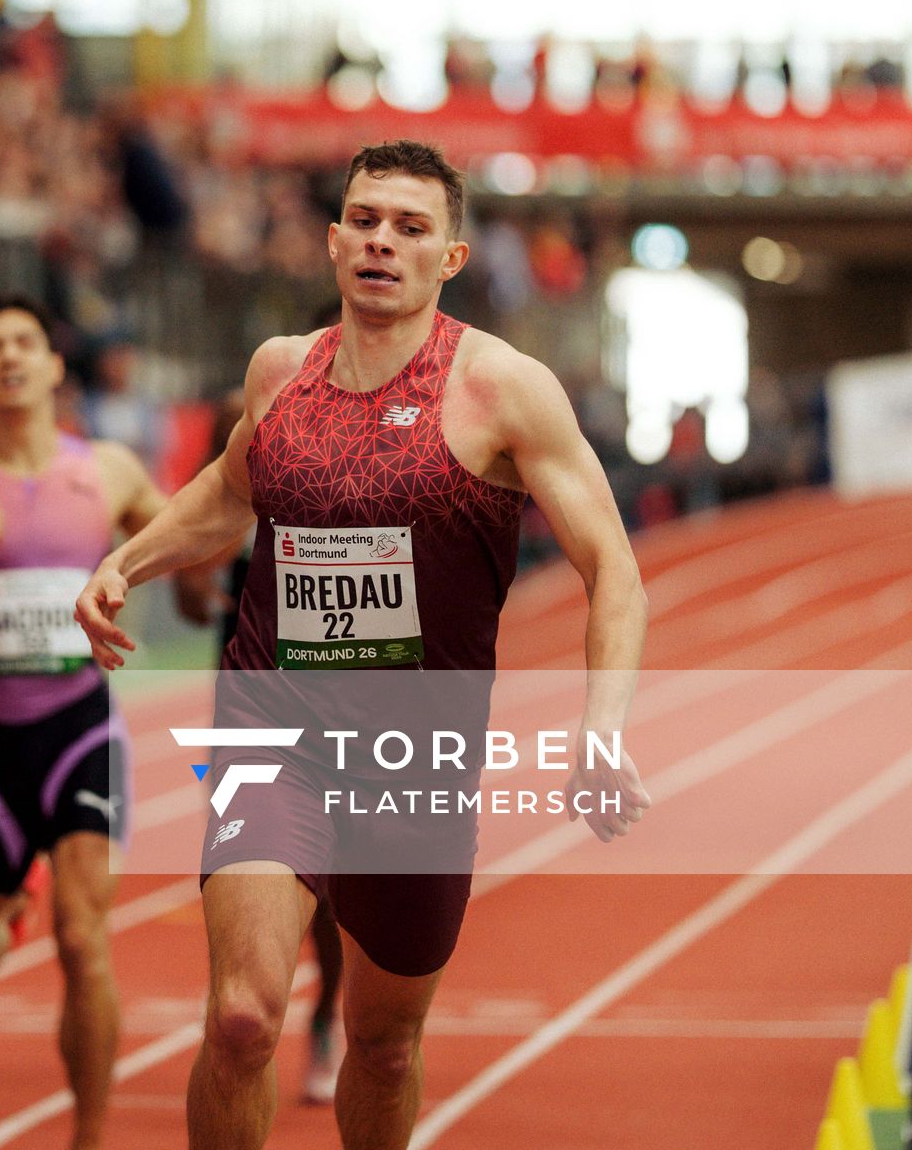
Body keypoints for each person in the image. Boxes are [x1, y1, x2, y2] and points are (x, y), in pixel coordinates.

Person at [75, 139, 651, 1150]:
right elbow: (229, 488)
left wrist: (600, 736)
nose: (384, 241)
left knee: (383, 1039)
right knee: (244, 1014)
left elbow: (614, 568)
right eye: (368, 220)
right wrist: (132, 557)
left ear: (451, 257)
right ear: (336, 239)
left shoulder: (501, 389)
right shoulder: (280, 370)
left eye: (411, 227)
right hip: (273, 726)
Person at [0, 296, 165, 1150]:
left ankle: (88, 1136)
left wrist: (165, 585)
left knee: (85, 944)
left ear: (53, 366)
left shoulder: (109, 471)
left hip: (84, 734)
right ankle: (14, 902)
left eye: (25, 343)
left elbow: (181, 535)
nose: (9, 357)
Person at [171, 300, 346, 1108]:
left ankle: (328, 1012)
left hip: (359, 685)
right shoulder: (251, 418)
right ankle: (250, 998)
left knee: (344, 883)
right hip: (251, 673)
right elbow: (200, 540)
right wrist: (198, 589)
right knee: (252, 853)